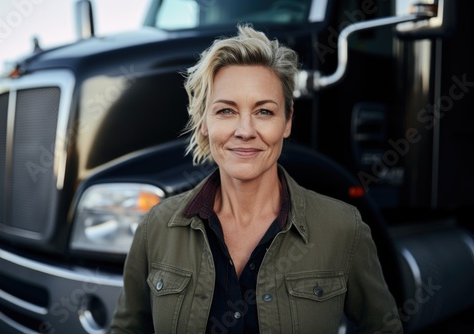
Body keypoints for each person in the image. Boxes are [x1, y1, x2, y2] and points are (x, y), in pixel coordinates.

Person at [111, 24, 402, 334]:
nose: (245, 130)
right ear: (204, 122)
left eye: (264, 112)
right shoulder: (156, 227)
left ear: (287, 122)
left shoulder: (343, 228)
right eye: (226, 111)